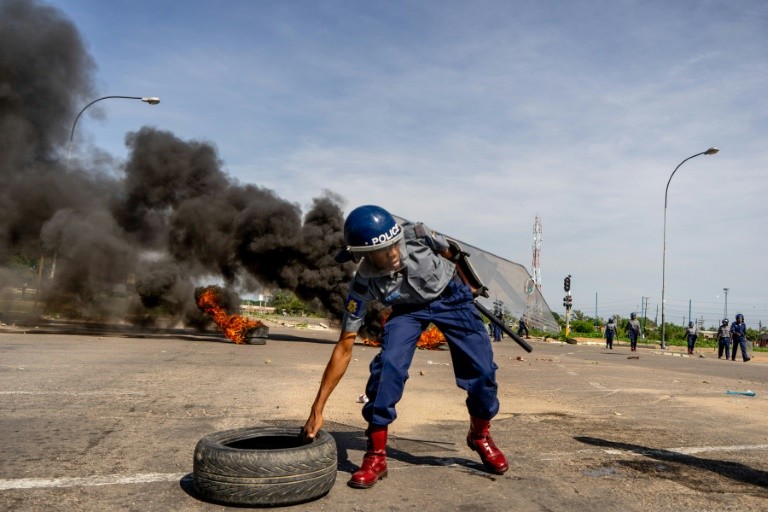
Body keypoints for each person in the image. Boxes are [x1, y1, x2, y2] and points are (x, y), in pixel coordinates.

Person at [303, 205, 508, 489]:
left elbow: (454, 254)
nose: (395, 253)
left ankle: (479, 434)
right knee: (388, 367)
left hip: (451, 298)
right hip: (408, 311)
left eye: (395, 244)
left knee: (483, 371)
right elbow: (344, 346)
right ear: (363, 256)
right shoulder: (362, 286)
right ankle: (376, 456)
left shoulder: (420, 235)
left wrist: (470, 287)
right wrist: (318, 408)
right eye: (383, 252)